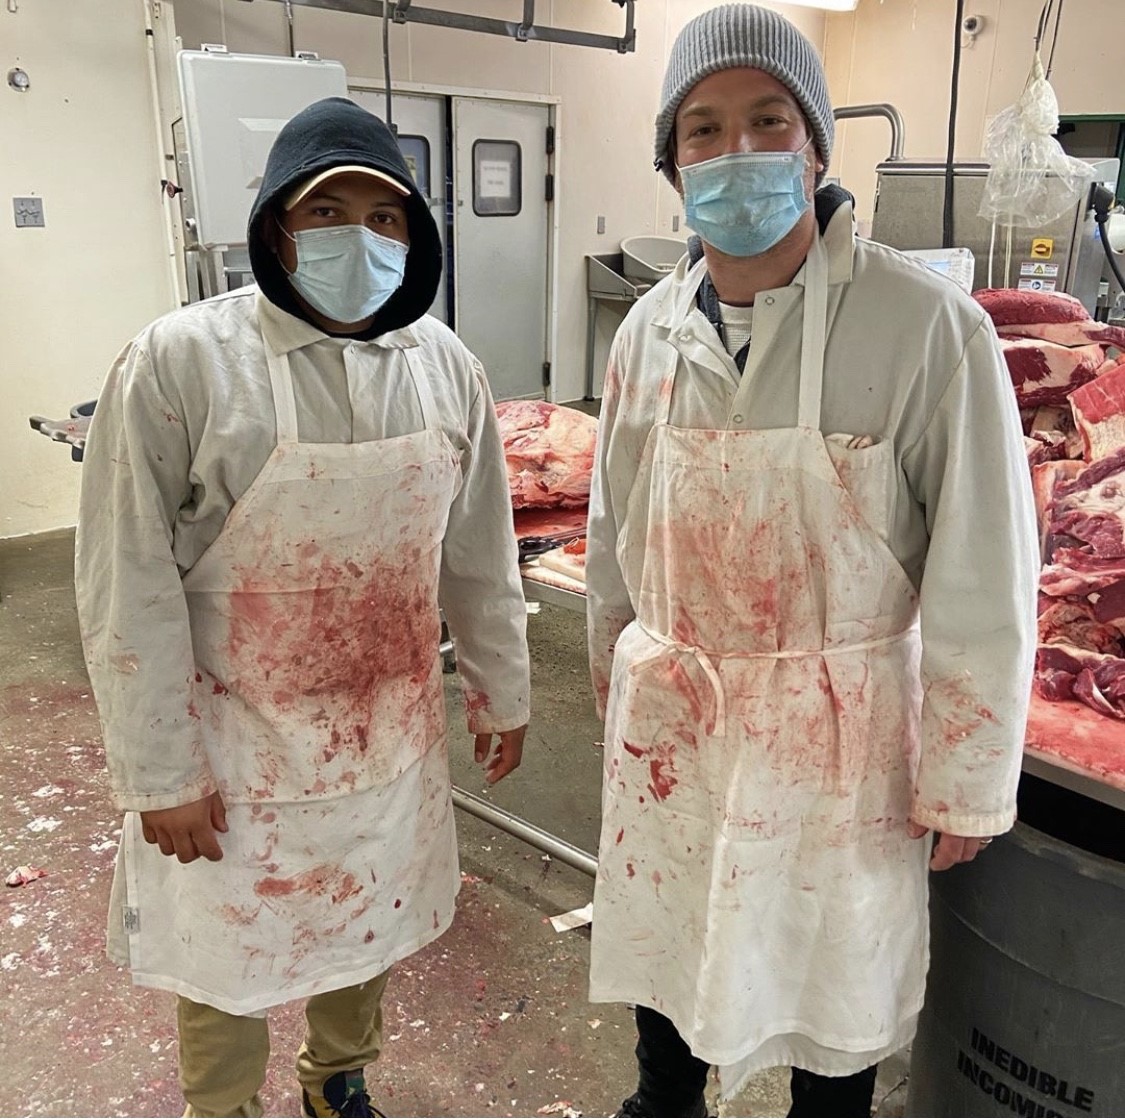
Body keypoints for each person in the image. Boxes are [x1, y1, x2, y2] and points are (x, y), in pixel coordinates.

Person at [584, 6, 1039, 1117]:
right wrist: (614, 680)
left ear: (817, 146)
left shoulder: (927, 327)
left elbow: (986, 568)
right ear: (672, 163)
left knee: (830, 1023)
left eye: (767, 120)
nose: (736, 152)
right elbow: (616, 532)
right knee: (673, 999)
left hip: (845, 754)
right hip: (679, 726)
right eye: (703, 130)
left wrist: (970, 777)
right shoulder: (648, 330)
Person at [75, 97, 530, 1119]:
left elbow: (479, 551)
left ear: (414, 236)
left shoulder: (445, 367)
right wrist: (158, 769)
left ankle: (339, 1074)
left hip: (384, 738)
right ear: (280, 225)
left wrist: (502, 687)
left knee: (364, 914)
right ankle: (224, 1104)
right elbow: (125, 577)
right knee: (225, 947)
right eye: (330, 212)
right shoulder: (184, 362)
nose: (358, 238)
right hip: (230, 749)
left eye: (386, 217)